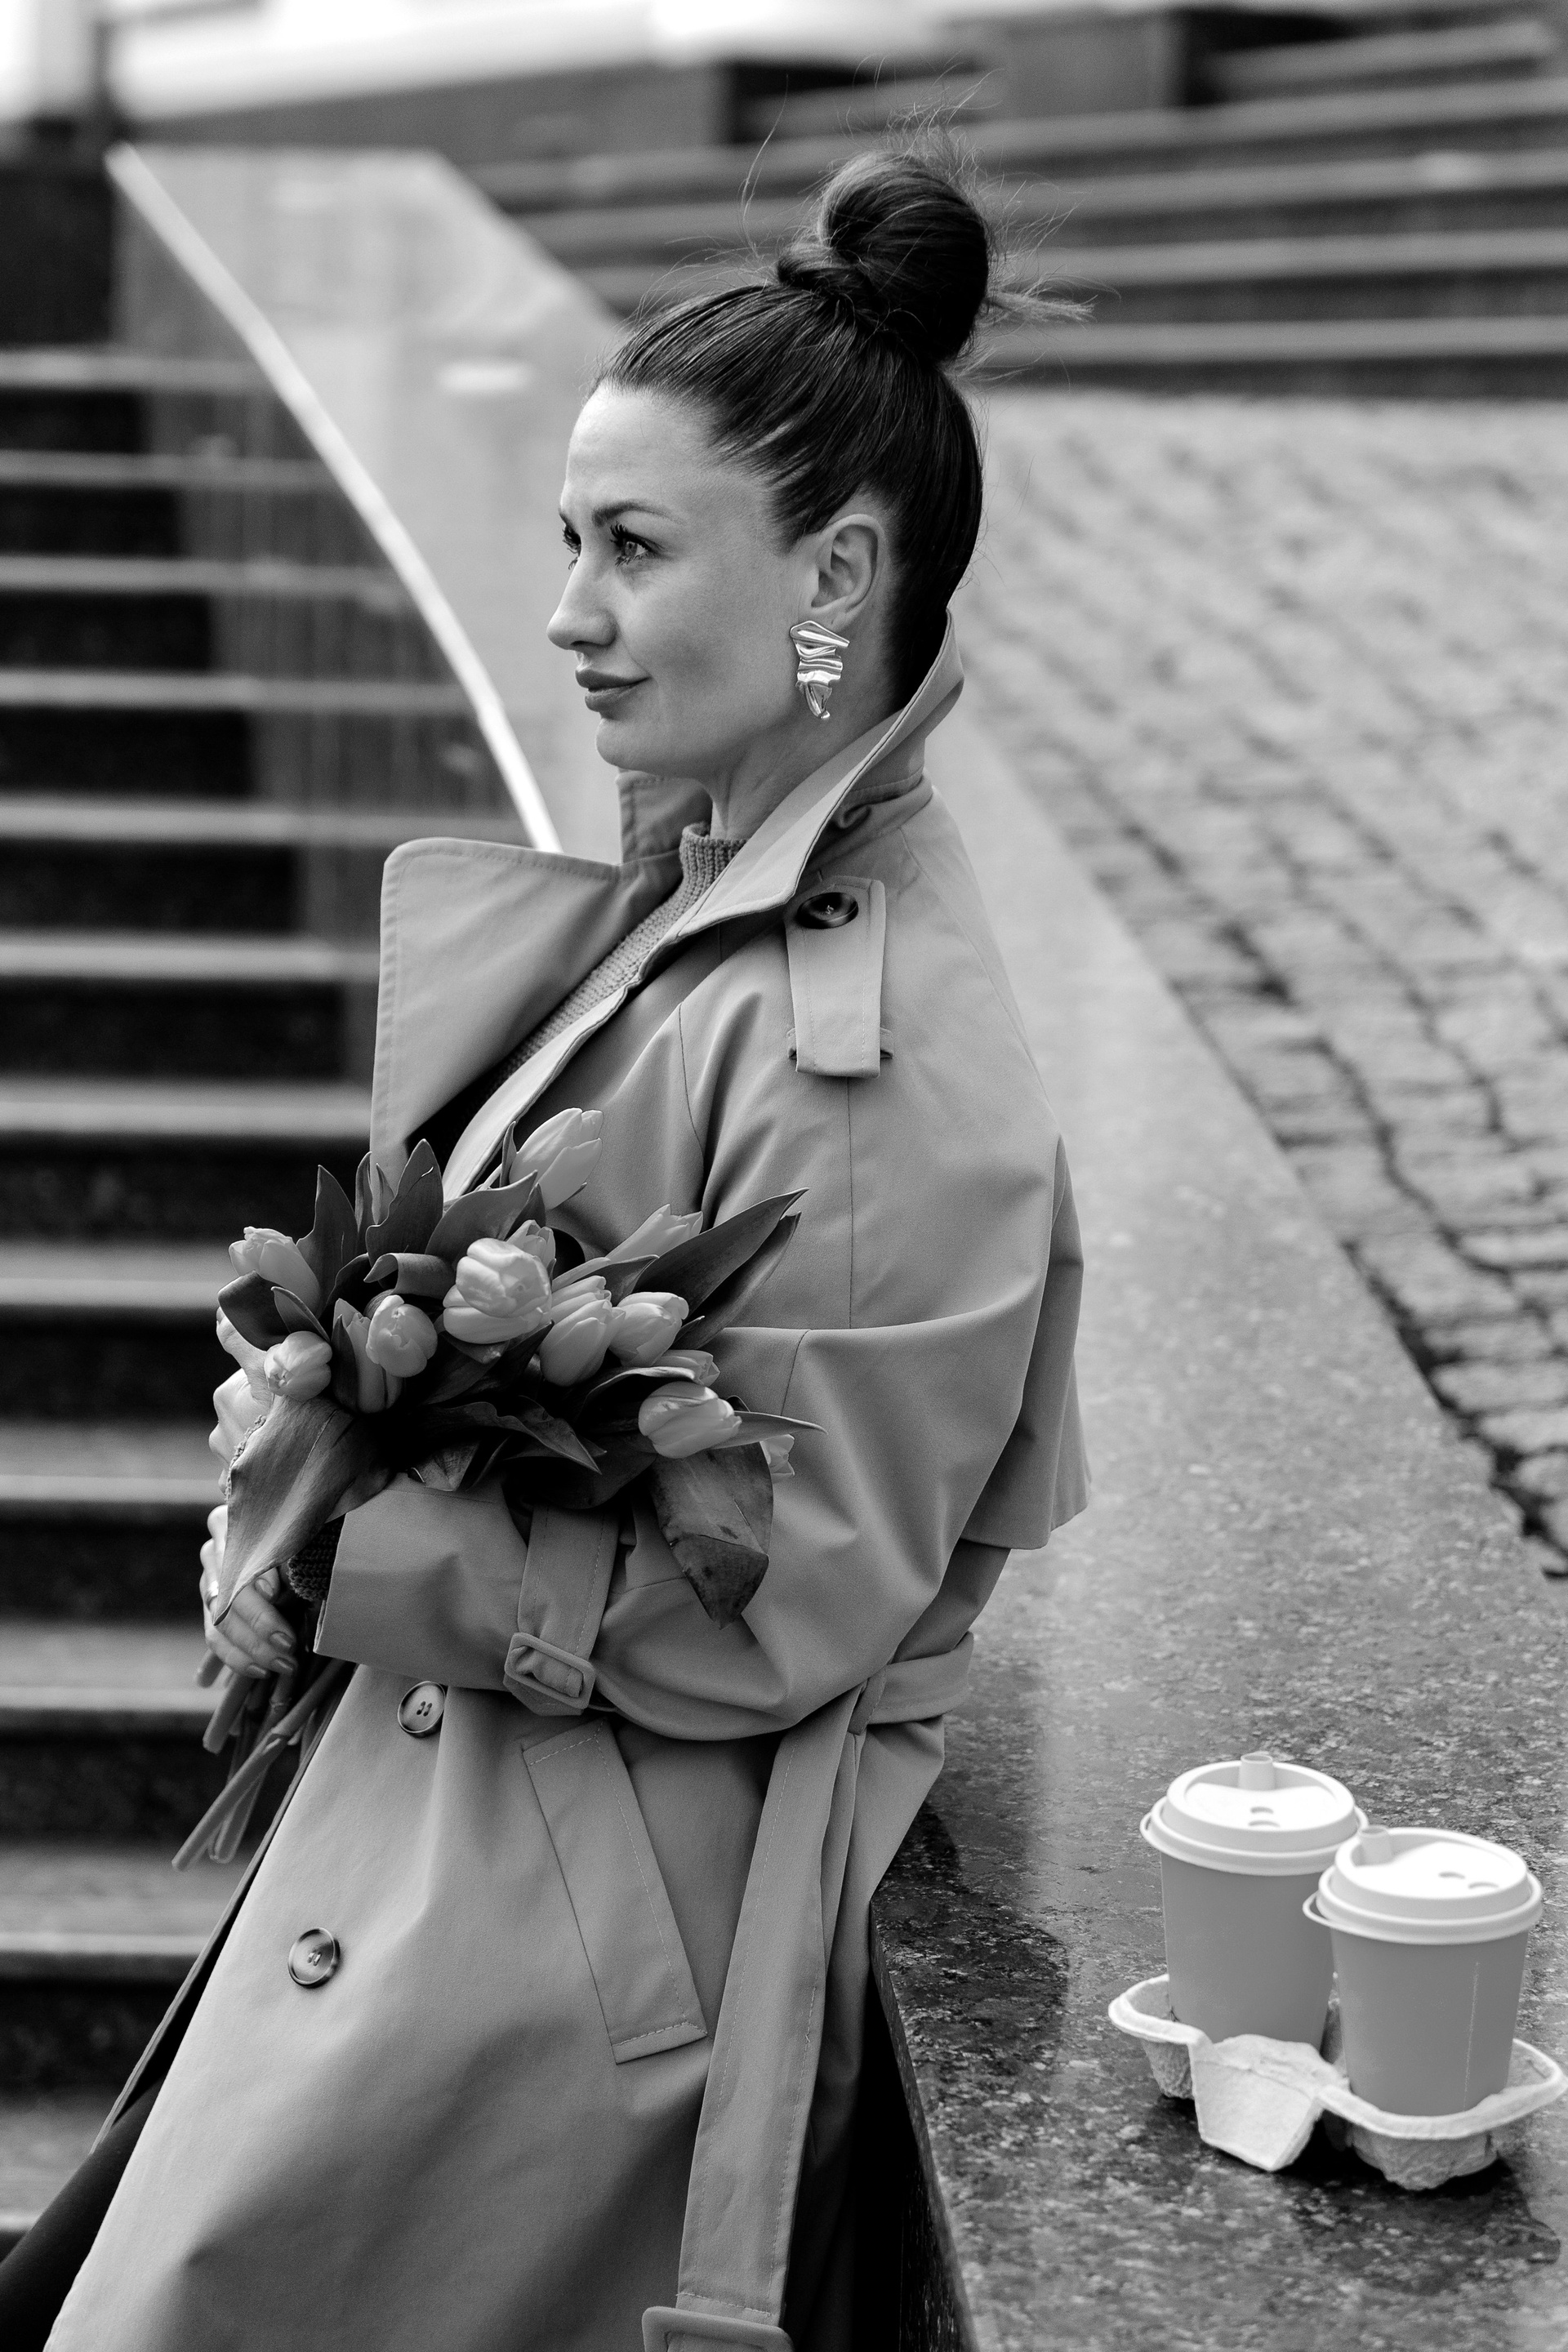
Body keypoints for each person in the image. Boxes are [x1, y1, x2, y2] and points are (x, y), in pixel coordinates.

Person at [20, 138, 1086, 2352]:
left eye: (632, 547)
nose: (568, 614)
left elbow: (793, 1593)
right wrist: (320, 1449)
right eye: (567, 542)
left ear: (837, 575)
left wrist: (356, 1547)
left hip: (556, 1957)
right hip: (465, 1846)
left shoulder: (865, 1058)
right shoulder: (720, 908)